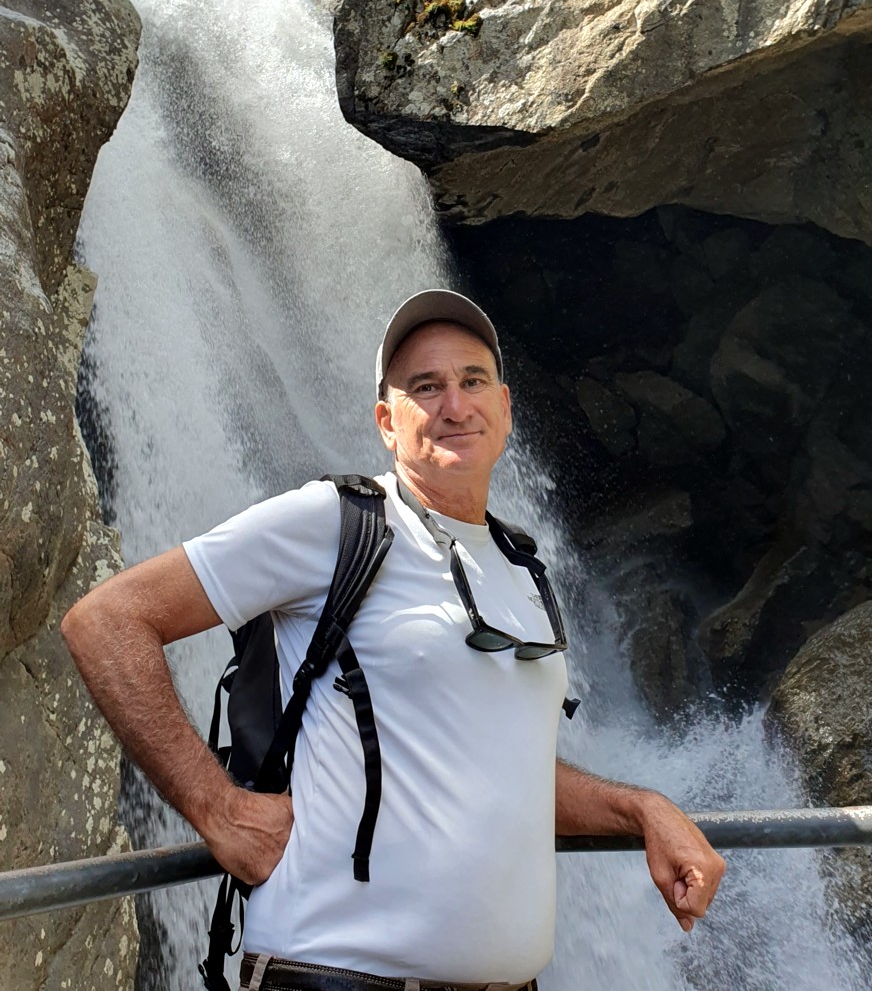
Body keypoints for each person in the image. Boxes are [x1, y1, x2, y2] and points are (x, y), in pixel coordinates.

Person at [62, 289, 725, 991]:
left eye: (473, 381)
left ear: (504, 409)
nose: (455, 405)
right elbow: (106, 620)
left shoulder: (520, 565)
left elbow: (505, 771)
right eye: (426, 387)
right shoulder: (336, 522)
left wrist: (642, 809)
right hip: (336, 976)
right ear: (387, 421)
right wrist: (217, 809)